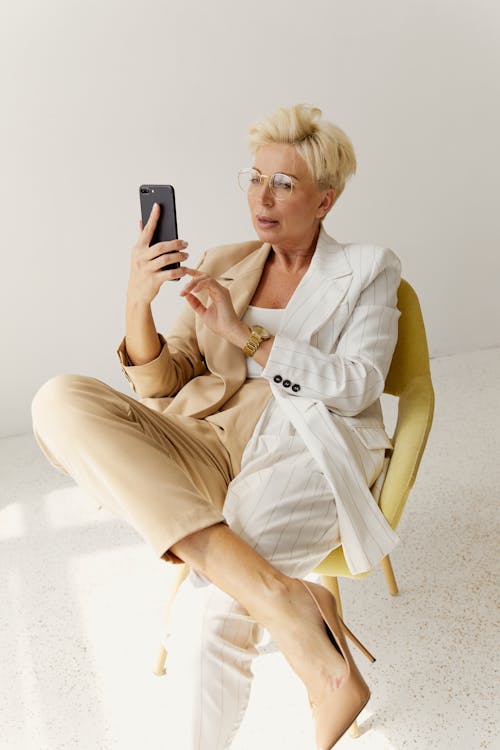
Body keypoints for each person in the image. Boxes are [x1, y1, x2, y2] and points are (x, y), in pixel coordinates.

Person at [31, 103, 401, 749]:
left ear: (324, 201)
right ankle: (289, 601)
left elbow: (360, 386)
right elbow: (164, 379)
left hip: (305, 446)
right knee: (56, 401)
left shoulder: (368, 268)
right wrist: (136, 298)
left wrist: (247, 334)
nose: (263, 196)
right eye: (255, 177)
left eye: (284, 183)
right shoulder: (229, 259)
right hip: (205, 444)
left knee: (216, 611)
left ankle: (273, 625)